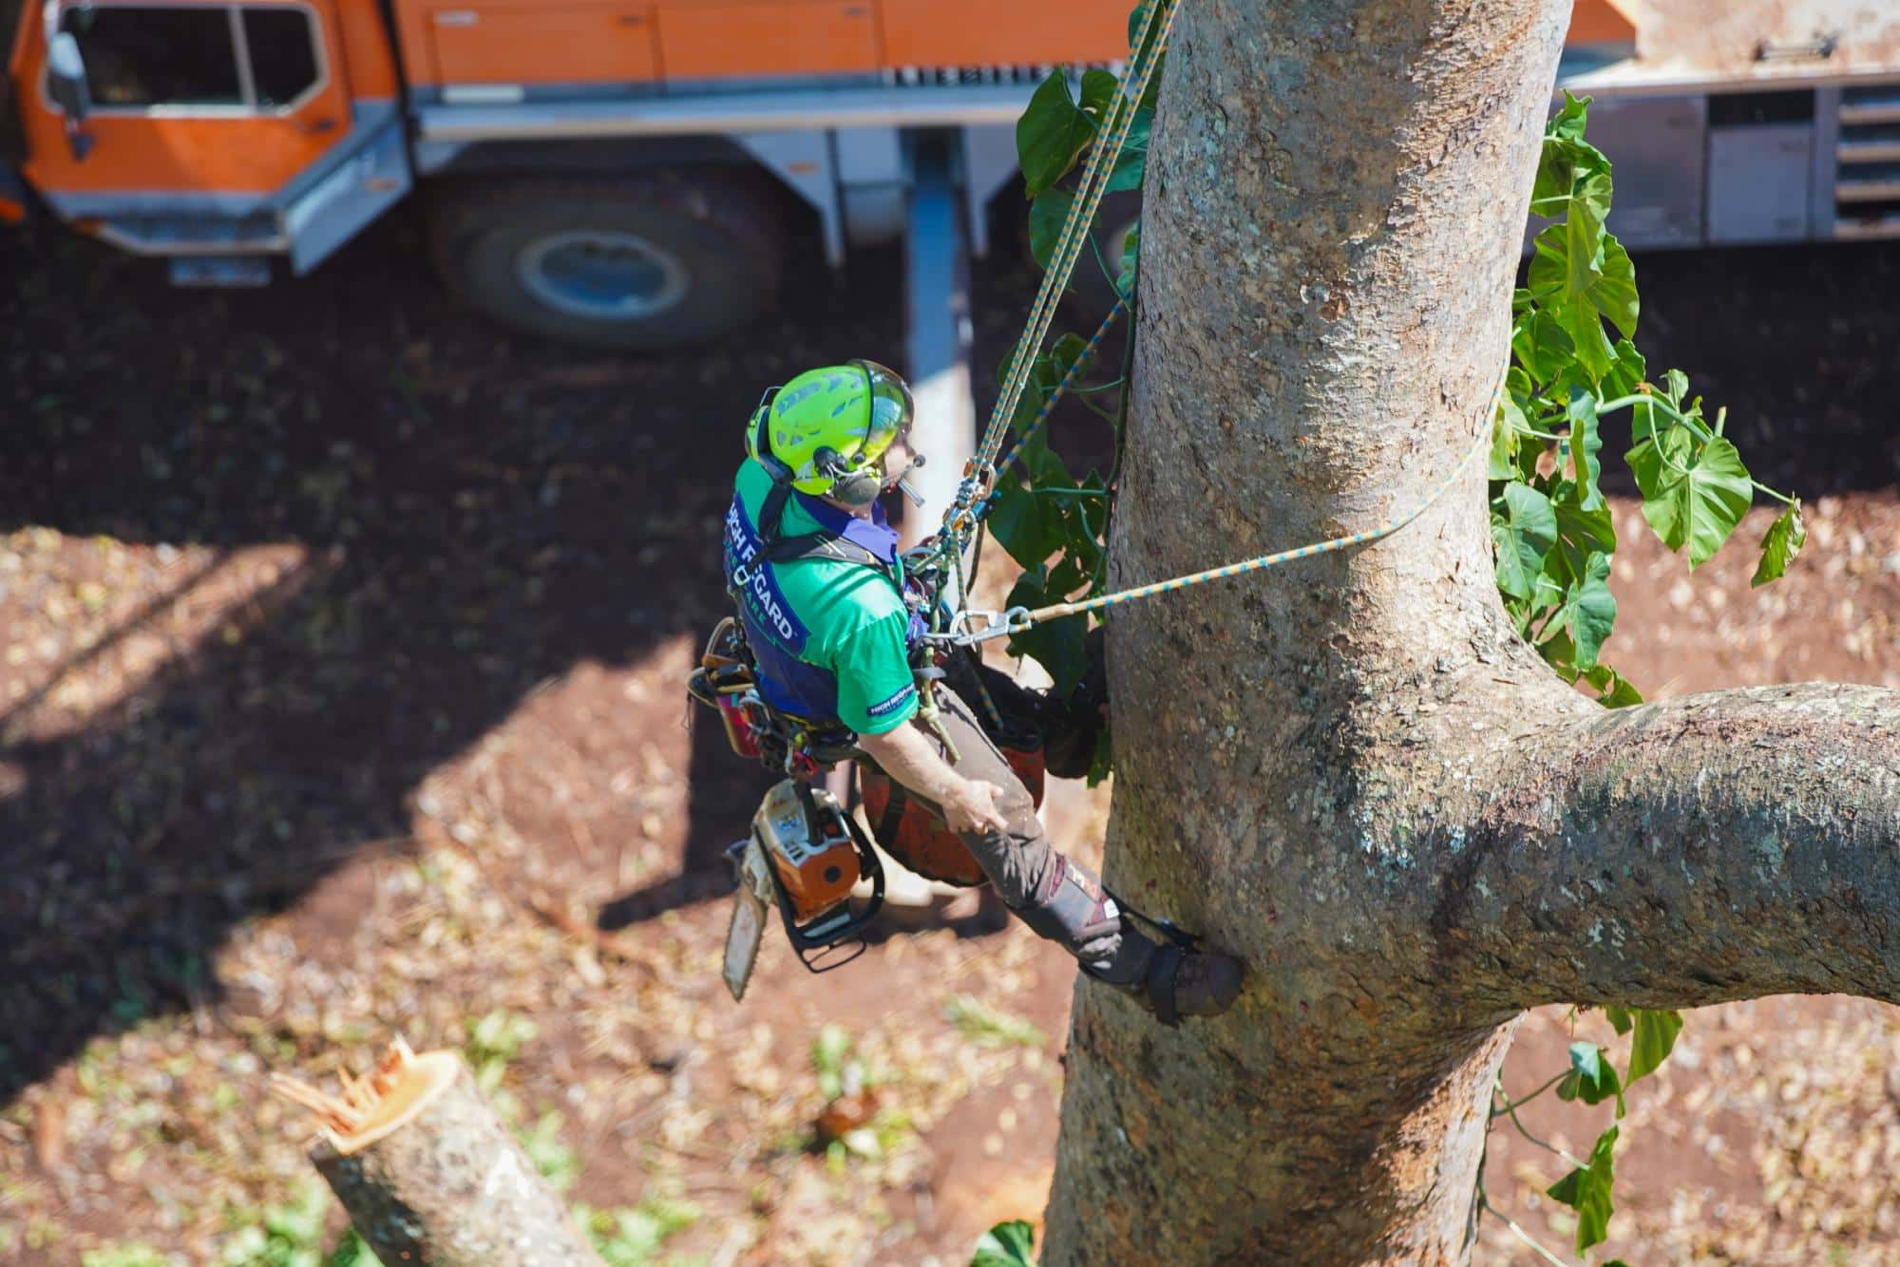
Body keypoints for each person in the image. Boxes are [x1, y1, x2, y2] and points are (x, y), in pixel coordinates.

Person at [720, 359, 1242, 1023]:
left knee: (1009, 712)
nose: (905, 445)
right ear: (849, 479)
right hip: (872, 707)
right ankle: (1153, 975)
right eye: (890, 444)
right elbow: (885, 734)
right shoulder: (860, 611)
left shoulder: (762, 480)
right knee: (1008, 830)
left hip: (835, 655)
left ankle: (1070, 739)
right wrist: (951, 792)